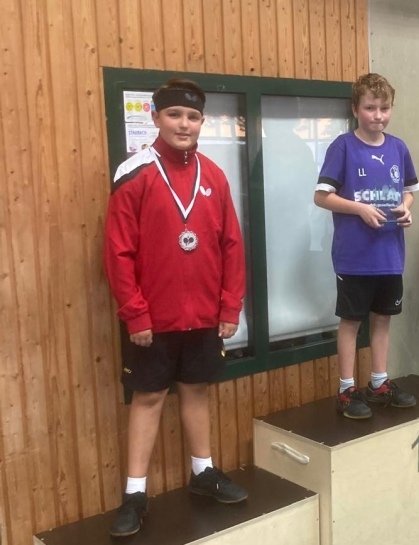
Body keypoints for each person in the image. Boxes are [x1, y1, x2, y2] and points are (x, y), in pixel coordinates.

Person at [104, 78, 247, 537]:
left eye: (192, 116)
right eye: (174, 115)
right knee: (147, 398)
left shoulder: (215, 176)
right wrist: (135, 312)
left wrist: (230, 306)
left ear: (202, 122)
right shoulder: (135, 174)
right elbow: (118, 252)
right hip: (152, 319)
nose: (184, 124)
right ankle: (134, 494)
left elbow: (231, 246)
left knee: (196, 390)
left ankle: (203, 472)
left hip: (204, 315)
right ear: (156, 117)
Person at [313, 72, 419, 419]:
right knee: (351, 322)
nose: (378, 115)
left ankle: (378, 382)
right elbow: (321, 197)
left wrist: (406, 208)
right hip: (355, 257)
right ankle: (346, 389)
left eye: (384, 108)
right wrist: (359, 208)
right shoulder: (343, 146)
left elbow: (409, 192)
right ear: (355, 109)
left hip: (390, 255)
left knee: (383, 319)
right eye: (370, 108)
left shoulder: (398, 147)